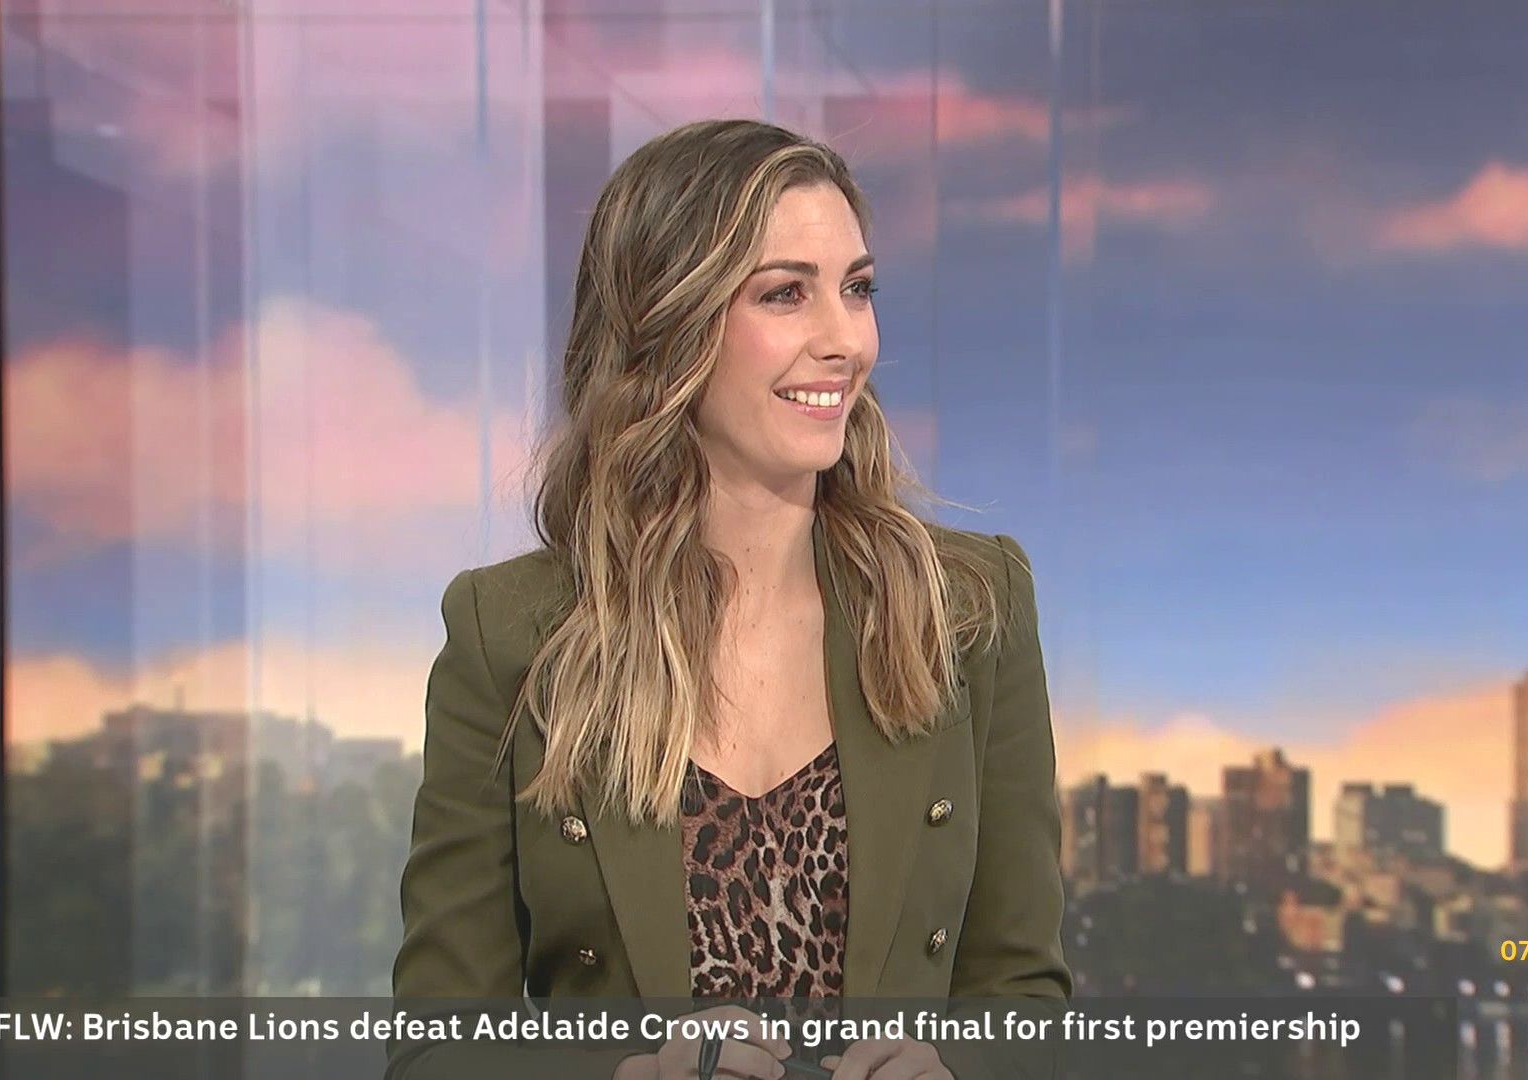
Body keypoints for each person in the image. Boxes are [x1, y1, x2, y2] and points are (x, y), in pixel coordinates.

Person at [387, 118, 1070, 1080]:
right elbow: (439, 1049)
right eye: (785, 294)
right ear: (667, 324)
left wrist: (955, 1069)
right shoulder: (512, 634)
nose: (846, 341)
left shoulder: (966, 609)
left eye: (858, 290)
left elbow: (1024, 1001)